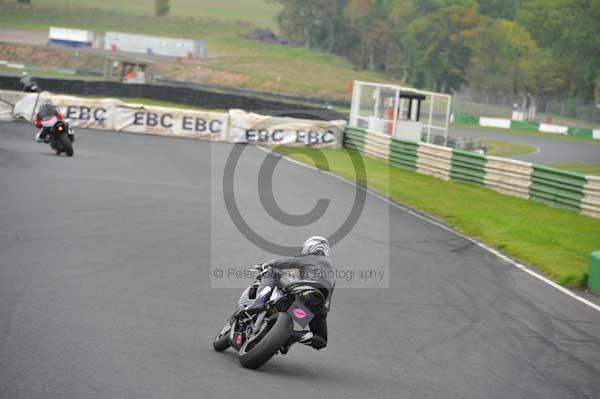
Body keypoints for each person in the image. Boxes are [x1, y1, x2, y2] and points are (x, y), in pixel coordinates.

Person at [243, 236, 335, 351]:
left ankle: (259, 302)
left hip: (303, 293)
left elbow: (287, 262)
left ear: (310, 247)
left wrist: (266, 265)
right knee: (321, 340)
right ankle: (289, 337)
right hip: (316, 305)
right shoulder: (330, 270)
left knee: (272, 272)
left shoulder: (313, 257)